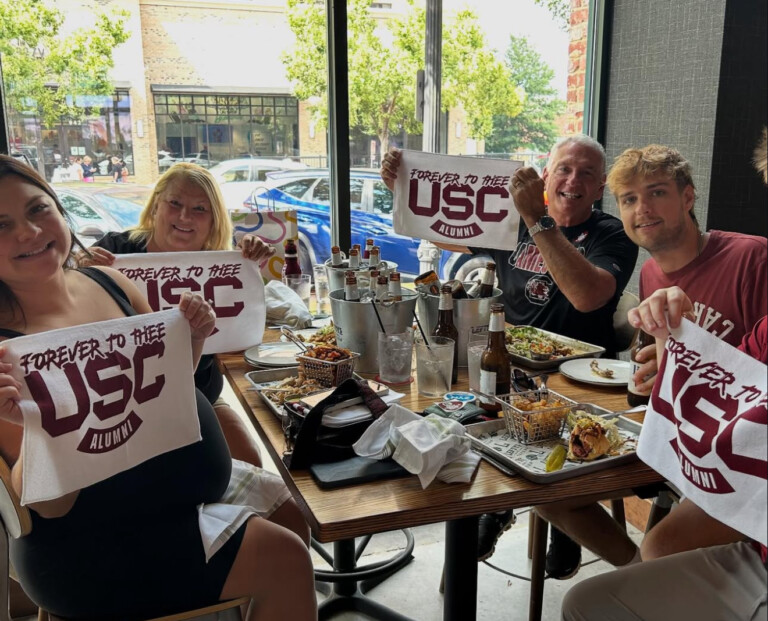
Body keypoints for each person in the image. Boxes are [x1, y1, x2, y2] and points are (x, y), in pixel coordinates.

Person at [0, 155, 316, 620]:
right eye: (0, 224)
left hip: (173, 497)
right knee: (285, 557)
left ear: (58, 208)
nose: (27, 232)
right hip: (94, 542)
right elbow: (50, 506)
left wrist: (191, 340)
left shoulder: (108, 280)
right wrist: (35, 428)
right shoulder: (4, 356)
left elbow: (164, 393)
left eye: (36, 210)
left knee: (294, 510)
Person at [381, 135, 639, 569]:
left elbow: (586, 296)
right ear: (545, 176)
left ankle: (552, 516)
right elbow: (446, 231)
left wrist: (538, 219)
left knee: (523, 430)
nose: (572, 180)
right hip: (507, 361)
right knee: (453, 422)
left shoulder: (611, 233)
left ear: (599, 190)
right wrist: (403, 187)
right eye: (564, 168)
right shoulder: (512, 222)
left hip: (575, 378)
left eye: (586, 173)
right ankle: (496, 508)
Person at [536, 144, 768, 578]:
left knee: (659, 548)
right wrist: (657, 374)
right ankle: (635, 574)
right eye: (628, 199)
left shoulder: (751, 259)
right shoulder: (650, 273)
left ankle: (643, 575)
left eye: (657, 192)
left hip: (733, 458)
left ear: (687, 198)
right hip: (669, 436)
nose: (642, 208)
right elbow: (664, 369)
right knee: (544, 489)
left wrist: (694, 369)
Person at [561, 286, 767, 621]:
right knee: (585, 601)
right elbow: (715, 411)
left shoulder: (747, 261)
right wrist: (671, 337)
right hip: (756, 547)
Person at [78, 162, 276, 469]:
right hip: (128, 403)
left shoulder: (219, 260)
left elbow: (239, 334)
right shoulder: (114, 250)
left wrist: (250, 263)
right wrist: (74, 269)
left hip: (199, 394)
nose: (185, 217)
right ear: (156, 204)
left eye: (199, 209)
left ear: (214, 220)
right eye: (175, 203)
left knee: (253, 463)